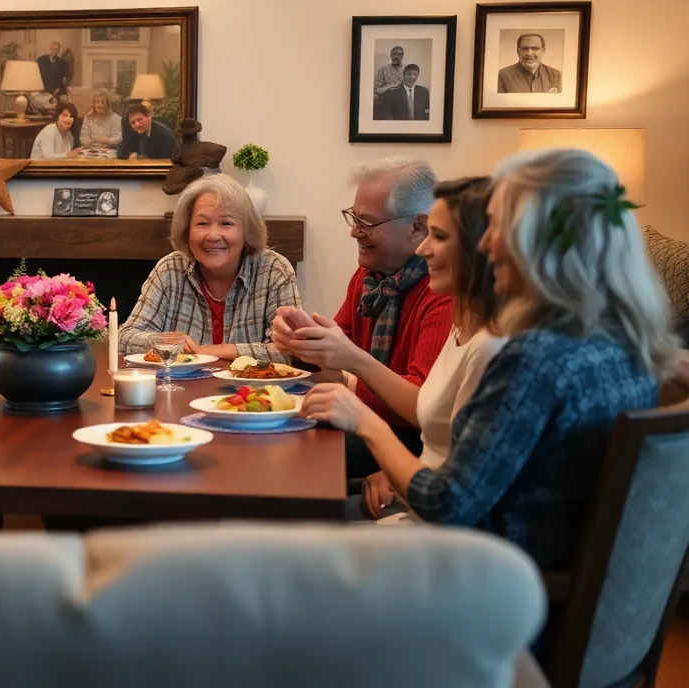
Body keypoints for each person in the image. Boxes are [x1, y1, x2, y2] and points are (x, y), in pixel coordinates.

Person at [301, 148, 677, 576]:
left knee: (282, 547)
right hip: (508, 568)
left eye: (497, 226)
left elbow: (446, 503)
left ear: (538, 240)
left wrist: (366, 424)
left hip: (484, 578)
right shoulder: (624, 344)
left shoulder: (534, 359)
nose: (483, 242)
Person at [298, 177, 506, 522]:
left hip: (435, 520)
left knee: (295, 501)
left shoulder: (490, 344)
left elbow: (456, 496)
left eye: (438, 237)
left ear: (483, 248)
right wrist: (304, 344)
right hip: (418, 477)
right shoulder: (458, 323)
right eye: (354, 218)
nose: (424, 249)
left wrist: (366, 419)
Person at [272, 157, 453, 478]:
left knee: (296, 449)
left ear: (417, 227)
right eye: (353, 217)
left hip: (412, 439)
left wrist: (348, 368)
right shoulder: (369, 277)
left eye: (367, 222)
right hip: (366, 418)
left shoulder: (442, 291)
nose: (354, 231)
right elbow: (336, 354)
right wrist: (300, 341)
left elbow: (423, 408)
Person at [120, 173, 299, 362]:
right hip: (182, 389)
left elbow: (291, 351)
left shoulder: (274, 270)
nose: (213, 235)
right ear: (187, 230)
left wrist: (216, 351)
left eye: (226, 223)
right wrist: (162, 341)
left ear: (246, 231)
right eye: (202, 223)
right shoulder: (170, 269)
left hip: (251, 391)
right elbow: (125, 337)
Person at [497, 33, 563, 93]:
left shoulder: (555, 75)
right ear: (518, 51)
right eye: (525, 48)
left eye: (535, 48)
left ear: (543, 51)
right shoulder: (503, 75)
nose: (529, 53)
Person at [373, 45, 405, 116]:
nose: (396, 56)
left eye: (399, 54)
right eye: (394, 54)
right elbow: (376, 90)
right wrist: (390, 87)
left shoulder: (406, 70)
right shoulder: (382, 70)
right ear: (391, 55)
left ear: (402, 56)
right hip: (385, 103)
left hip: (402, 104)